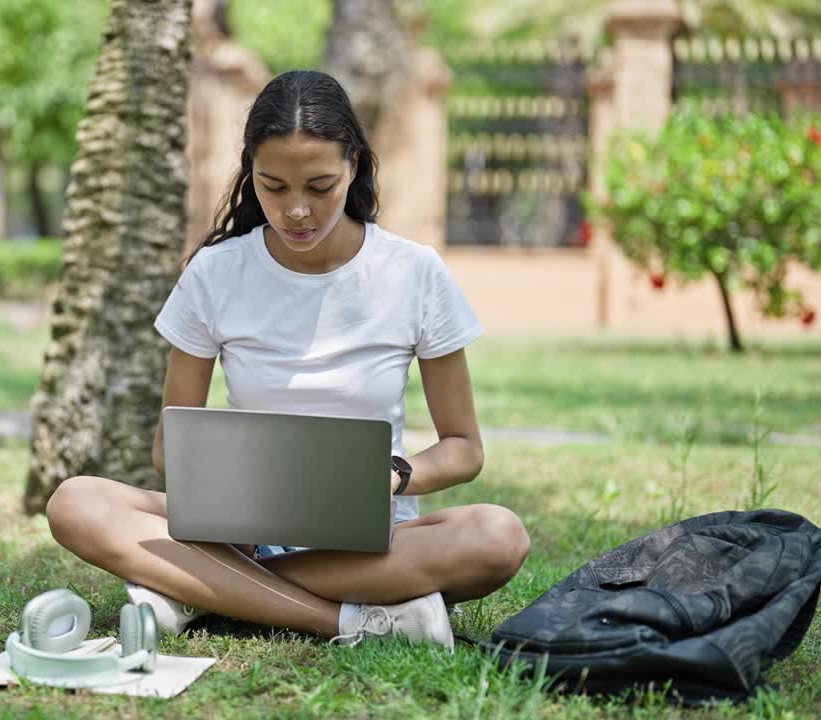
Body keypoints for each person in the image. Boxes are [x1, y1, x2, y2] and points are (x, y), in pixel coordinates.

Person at [46, 70, 530, 649]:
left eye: (320, 186)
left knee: (498, 537)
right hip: (242, 530)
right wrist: (232, 506)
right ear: (250, 171)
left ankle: (200, 588)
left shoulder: (414, 273)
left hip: (368, 539)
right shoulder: (216, 273)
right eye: (273, 186)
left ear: (355, 165)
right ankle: (352, 621)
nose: (297, 210)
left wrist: (395, 476)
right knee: (75, 502)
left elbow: (464, 450)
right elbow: (169, 448)